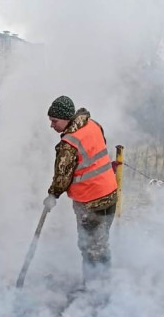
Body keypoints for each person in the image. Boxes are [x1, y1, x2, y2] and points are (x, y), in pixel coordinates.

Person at [44, 95, 118, 285]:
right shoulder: (93, 124)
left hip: (91, 201)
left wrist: (52, 195)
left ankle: (94, 293)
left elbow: (62, 178)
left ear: (66, 118)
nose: (51, 125)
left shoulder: (69, 144)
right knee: (101, 244)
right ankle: (102, 289)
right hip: (110, 193)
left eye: (54, 121)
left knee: (91, 248)